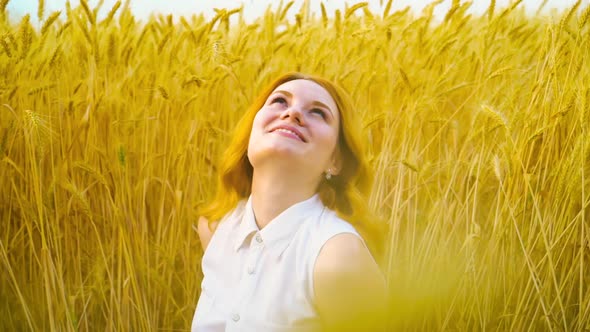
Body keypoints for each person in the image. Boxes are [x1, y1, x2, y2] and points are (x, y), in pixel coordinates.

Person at [192, 72, 388, 331]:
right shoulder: (215, 229)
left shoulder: (338, 258)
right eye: (280, 102)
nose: (292, 113)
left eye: (318, 113)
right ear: (252, 131)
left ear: (336, 161)